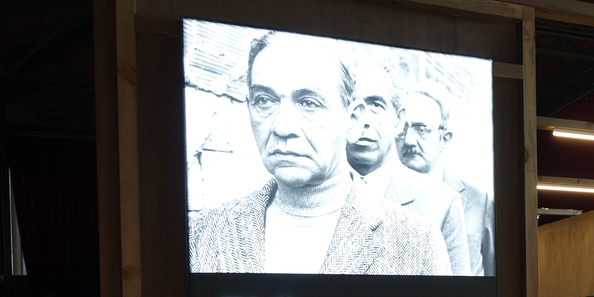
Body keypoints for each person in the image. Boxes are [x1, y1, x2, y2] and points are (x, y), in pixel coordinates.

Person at [189, 32, 451, 275]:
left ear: (353, 121)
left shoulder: (416, 242)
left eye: (309, 103)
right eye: (264, 101)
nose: (282, 127)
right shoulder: (206, 232)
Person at [345, 61, 471, 274]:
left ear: (399, 120)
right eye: (352, 105)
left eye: (376, 105)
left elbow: (459, 292)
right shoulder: (309, 194)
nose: (363, 120)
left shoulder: (441, 202)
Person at [396, 85, 495, 277]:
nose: (409, 140)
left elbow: (495, 277)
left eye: (422, 130)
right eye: (402, 129)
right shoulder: (378, 195)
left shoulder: (479, 202)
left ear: (444, 139)